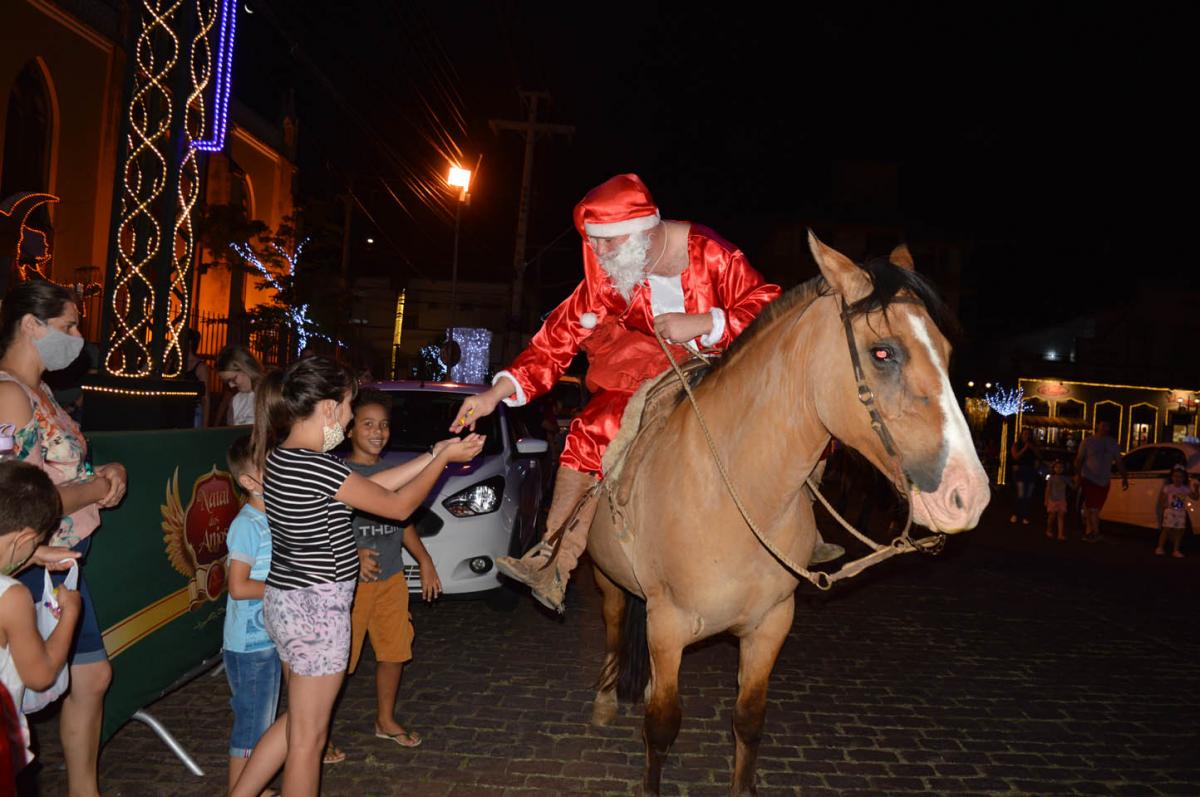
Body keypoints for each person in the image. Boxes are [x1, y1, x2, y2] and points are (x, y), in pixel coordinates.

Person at [451, 174, 781, 612]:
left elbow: (768, 306)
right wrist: (496, 394)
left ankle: (795, 531)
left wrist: (704, 323)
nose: (599, 253)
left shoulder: (713, 254)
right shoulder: (608, 276)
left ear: (645, 229)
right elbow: (556, 339)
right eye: (595, 242)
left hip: (718, 364)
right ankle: (553, 560)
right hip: (638, 371)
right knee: (591, 427)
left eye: (608, 242)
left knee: (779, 414)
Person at [230, 356, 483, 797]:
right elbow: (400, 506)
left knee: (297, 722)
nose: (348, 420)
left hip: (286, 605)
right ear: (327, 407)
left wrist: (433, 453)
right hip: (317, 614)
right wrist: (443, 464)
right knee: (308, 740)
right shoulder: (318, 466)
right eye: (348, 407)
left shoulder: (281, 459)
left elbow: (376, 484)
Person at [0, 279, 126, 797]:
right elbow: (15, 495)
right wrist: (97, 486)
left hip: (61, 560)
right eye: (68, 325)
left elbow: (62, 469)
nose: (76, 337)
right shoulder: (8, 393)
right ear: (31, 325)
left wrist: (107, 473)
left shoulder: (41, 390)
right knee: (24, 684)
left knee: (92, 678)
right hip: (29, 559)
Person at [342, 389, 441, 748]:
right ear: (350, 429)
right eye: (368, 424)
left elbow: (402, 522)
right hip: (351, 586)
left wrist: (425, 559)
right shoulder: (339, 472)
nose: (377, 432)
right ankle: (316, 733)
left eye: (383, 425)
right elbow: (322, 527)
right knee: (339, 662)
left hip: (391, 578)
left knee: (395, 651)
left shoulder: (393, 472)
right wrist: (353, 552)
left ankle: (385, 719)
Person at [0, 460, 82, 774]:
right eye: (38, 541)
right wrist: (70, 615)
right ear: (24, 538)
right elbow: (41, 674)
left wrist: (32, 554)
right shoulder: (12, 598)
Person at [222, 436, 281, 794]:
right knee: (252, 723)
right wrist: (284, 587)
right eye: (270, 466)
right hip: (250, 645)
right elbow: (239, 586)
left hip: (267, 638)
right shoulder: (247, 525)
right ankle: (239, 790)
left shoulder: (271, 517)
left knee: (263, 717)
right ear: (249, 482)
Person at [1073, 420, 1127, 543]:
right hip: (1089, 478)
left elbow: (1119, 461)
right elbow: (1079, 459)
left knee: (1095, 508)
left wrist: (1124, 477)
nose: (1105, 428)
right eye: (1103, 425)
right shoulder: (1087, 441)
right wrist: (1077, 475)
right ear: (1097, 426)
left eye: (1107, 426)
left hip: (1104, 480)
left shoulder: (1112, 443)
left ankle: (1090, 531)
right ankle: (1093, 532)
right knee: (1092, 508)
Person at [1155, 464, 1197, 558]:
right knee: (1166, 529)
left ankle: (1176, 550)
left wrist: (1196, 489)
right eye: (1175, 476)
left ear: (1184, 478)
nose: (1178, 478)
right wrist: (1163, 509)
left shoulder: (1185, 488)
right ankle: (1160, 547)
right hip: (1170, 511)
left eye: (1180, 477)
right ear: (1172, 477)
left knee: (1179, 531)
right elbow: (1162, 500)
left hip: (1181, 512)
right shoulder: (1168, 487)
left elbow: (1195, 497)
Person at [217, 345, 264, 426]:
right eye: (228, 382)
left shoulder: (270, 394)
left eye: (233, 379)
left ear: (246, 368)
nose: (231, 386)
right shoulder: (236, 400)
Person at [1010, 427, 1040, 524]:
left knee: (1028, 495)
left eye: (1028, 434)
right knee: (1021, 494)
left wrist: (1031, 447)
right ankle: (1016, 513)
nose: (1026, 436)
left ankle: (1025, 515)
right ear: (1021, 434)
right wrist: (1024, 448)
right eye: (1025, 433)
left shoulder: (1033, 445)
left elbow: (1039, 455)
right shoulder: (1016, 445)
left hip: (1030, 471)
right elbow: (1015, 456)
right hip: (1021, 471)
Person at [183, 328, 211, 427]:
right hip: (177, 411)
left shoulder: (200, 367)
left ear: (189, 342)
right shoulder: (174, 364)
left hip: (194, 412)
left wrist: (205, 426)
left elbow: (206, 398)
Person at [1044, 459, 1070, 541]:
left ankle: (1060, 534)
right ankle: (1049, 529)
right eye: (1057, 467)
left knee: (1061, 517)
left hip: (1061, 500)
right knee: (1052, 516)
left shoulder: (1065, 478)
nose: (1059, 469)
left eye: (1061, 467)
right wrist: (1046, 499)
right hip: (1053, 500)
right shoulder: (1051, 478)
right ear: (1054, 468)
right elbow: (1048, 489)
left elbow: (1073, 486)